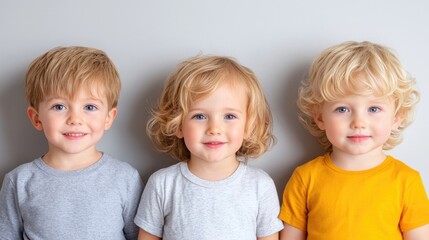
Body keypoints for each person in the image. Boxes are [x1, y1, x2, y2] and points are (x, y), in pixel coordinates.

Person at [279, 41, 429, 239]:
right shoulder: (305, 178)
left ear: (396, 118)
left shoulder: (407, 181)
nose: (358, 122)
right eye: (343, 109)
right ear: (320, 117)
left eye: (373, 109)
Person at [0, 46, 143, 239]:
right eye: (59, 106)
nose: (75, 119)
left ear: (109, 118)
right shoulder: (19, 181)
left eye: (89, 107)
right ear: (36, 118)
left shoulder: (125, 178)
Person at [135, 55, 284, 240]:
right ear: (178, 125)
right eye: (199, 116)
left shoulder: (260, 186)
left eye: (229, 116)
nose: (214, 129)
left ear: (249, 126)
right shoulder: (163, 184)